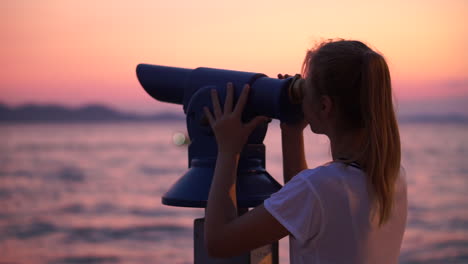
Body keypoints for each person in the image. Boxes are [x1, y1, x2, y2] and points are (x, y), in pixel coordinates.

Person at [202, 39, 407, 264]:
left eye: (305, 89)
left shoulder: (319, 188)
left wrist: (228, 150)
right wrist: (291, 132)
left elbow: (219, 242)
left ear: (324, 106)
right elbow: (306, 215)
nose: (301, 97)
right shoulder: (392, 175)